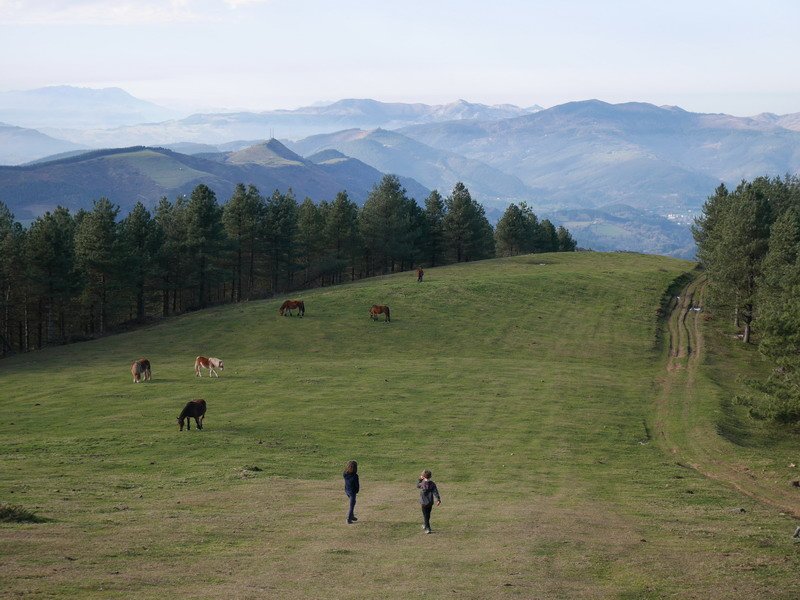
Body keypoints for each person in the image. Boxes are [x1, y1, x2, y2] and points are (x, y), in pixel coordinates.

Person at [416, 469, 441, 533]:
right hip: (430, 502)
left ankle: (428, 528)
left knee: (425, 515)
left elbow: (417, 485)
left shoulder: (422, 483)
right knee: (428, 514)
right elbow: (435, 492)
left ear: (423, 476)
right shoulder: (432, 484)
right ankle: (425, 525)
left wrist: (420, 479)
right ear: (430, 476)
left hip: (423, 502)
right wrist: (438, 499)